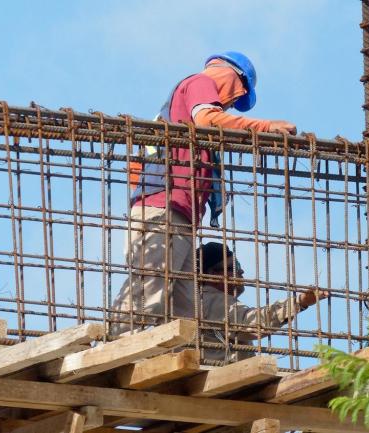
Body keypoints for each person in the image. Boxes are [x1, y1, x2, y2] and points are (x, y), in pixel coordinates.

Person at [111, 52, 297, 335]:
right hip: (165, 206)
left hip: (176, 212)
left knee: (185, 309)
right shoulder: (200, 82)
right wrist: (266, 128)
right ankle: (117, 344)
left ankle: (184, 352)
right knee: (149, 288)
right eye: (238, 96)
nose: (233, 104)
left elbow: (138, 168)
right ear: (234, 78)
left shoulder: (179, 112)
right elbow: (208, 119)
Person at [195, 242, 328, 362]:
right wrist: (298, 302)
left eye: (239, 265)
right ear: (212, 274)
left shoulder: (203, 300)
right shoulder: (209, 299)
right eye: (233, 267)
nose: (241, 271)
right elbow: (252, 324)